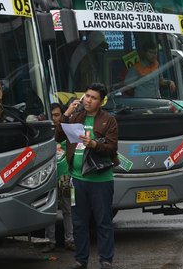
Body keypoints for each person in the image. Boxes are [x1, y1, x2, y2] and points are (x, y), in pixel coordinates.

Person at [55, 83, 119, 269]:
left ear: (101, 101)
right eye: (87, 96)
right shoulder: (75, 116)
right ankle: (80, 260)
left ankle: (106, 260)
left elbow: (112, 147)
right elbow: (57, 136)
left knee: (103, 222)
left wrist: (93, 144)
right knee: (79, 221)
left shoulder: (109, 120)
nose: (89, 100)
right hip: (77, 180)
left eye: (93, 98)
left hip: (101, 180)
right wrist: (66, 113)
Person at [42, 103, 75, 253]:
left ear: (62, 115)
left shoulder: (67, 131)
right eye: (52, 115)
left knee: (68, 209)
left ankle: (70, 240)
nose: (54, 118)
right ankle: (50, 242)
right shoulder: (44, 133)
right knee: (50, 210)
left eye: (57, 115)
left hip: (64, 178)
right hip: (48, 178)